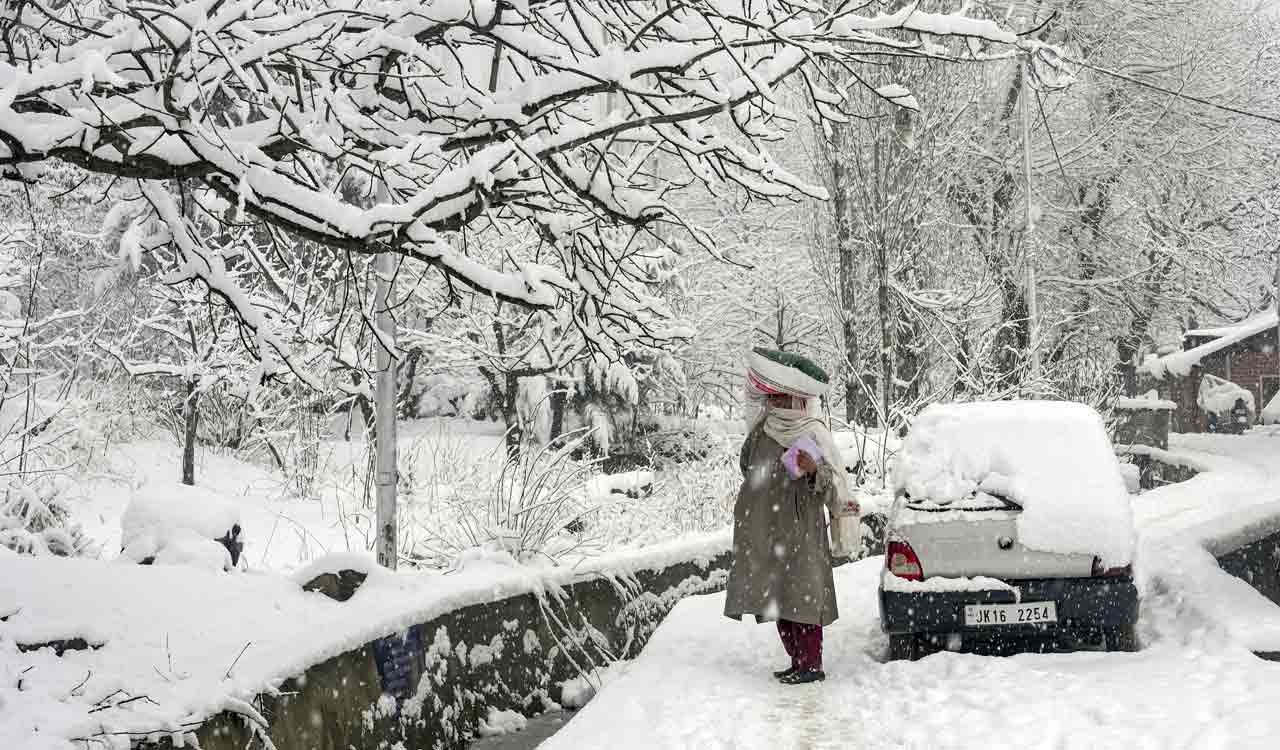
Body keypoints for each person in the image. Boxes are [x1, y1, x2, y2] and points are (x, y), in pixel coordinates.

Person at [723, 349, 855, 685]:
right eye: (774, 396)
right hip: (770, 527)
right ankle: (797, 660)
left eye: (783, 397)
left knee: (804, 598)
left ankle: (811, 664)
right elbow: (747, 465)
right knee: (780, 597)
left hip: (803, 531)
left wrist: (814, 470)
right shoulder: (763, 429)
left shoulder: (812, 432)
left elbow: (834, 486)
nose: (777, 402)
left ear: (798, 398)